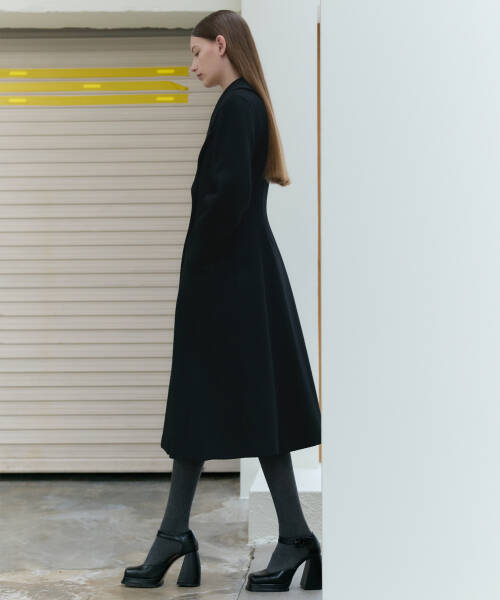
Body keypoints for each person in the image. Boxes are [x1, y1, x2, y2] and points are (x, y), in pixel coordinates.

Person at [121, 9, 322, 593]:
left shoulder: (237, 106)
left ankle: (261, 537)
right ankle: (255, 535)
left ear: (221, 43)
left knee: (224, 404)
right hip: (241, 278)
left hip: (229, 283)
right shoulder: (246, 105)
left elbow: (226, 198)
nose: (192, 64)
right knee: (227, 406)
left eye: (195, 52)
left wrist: (198, 271)